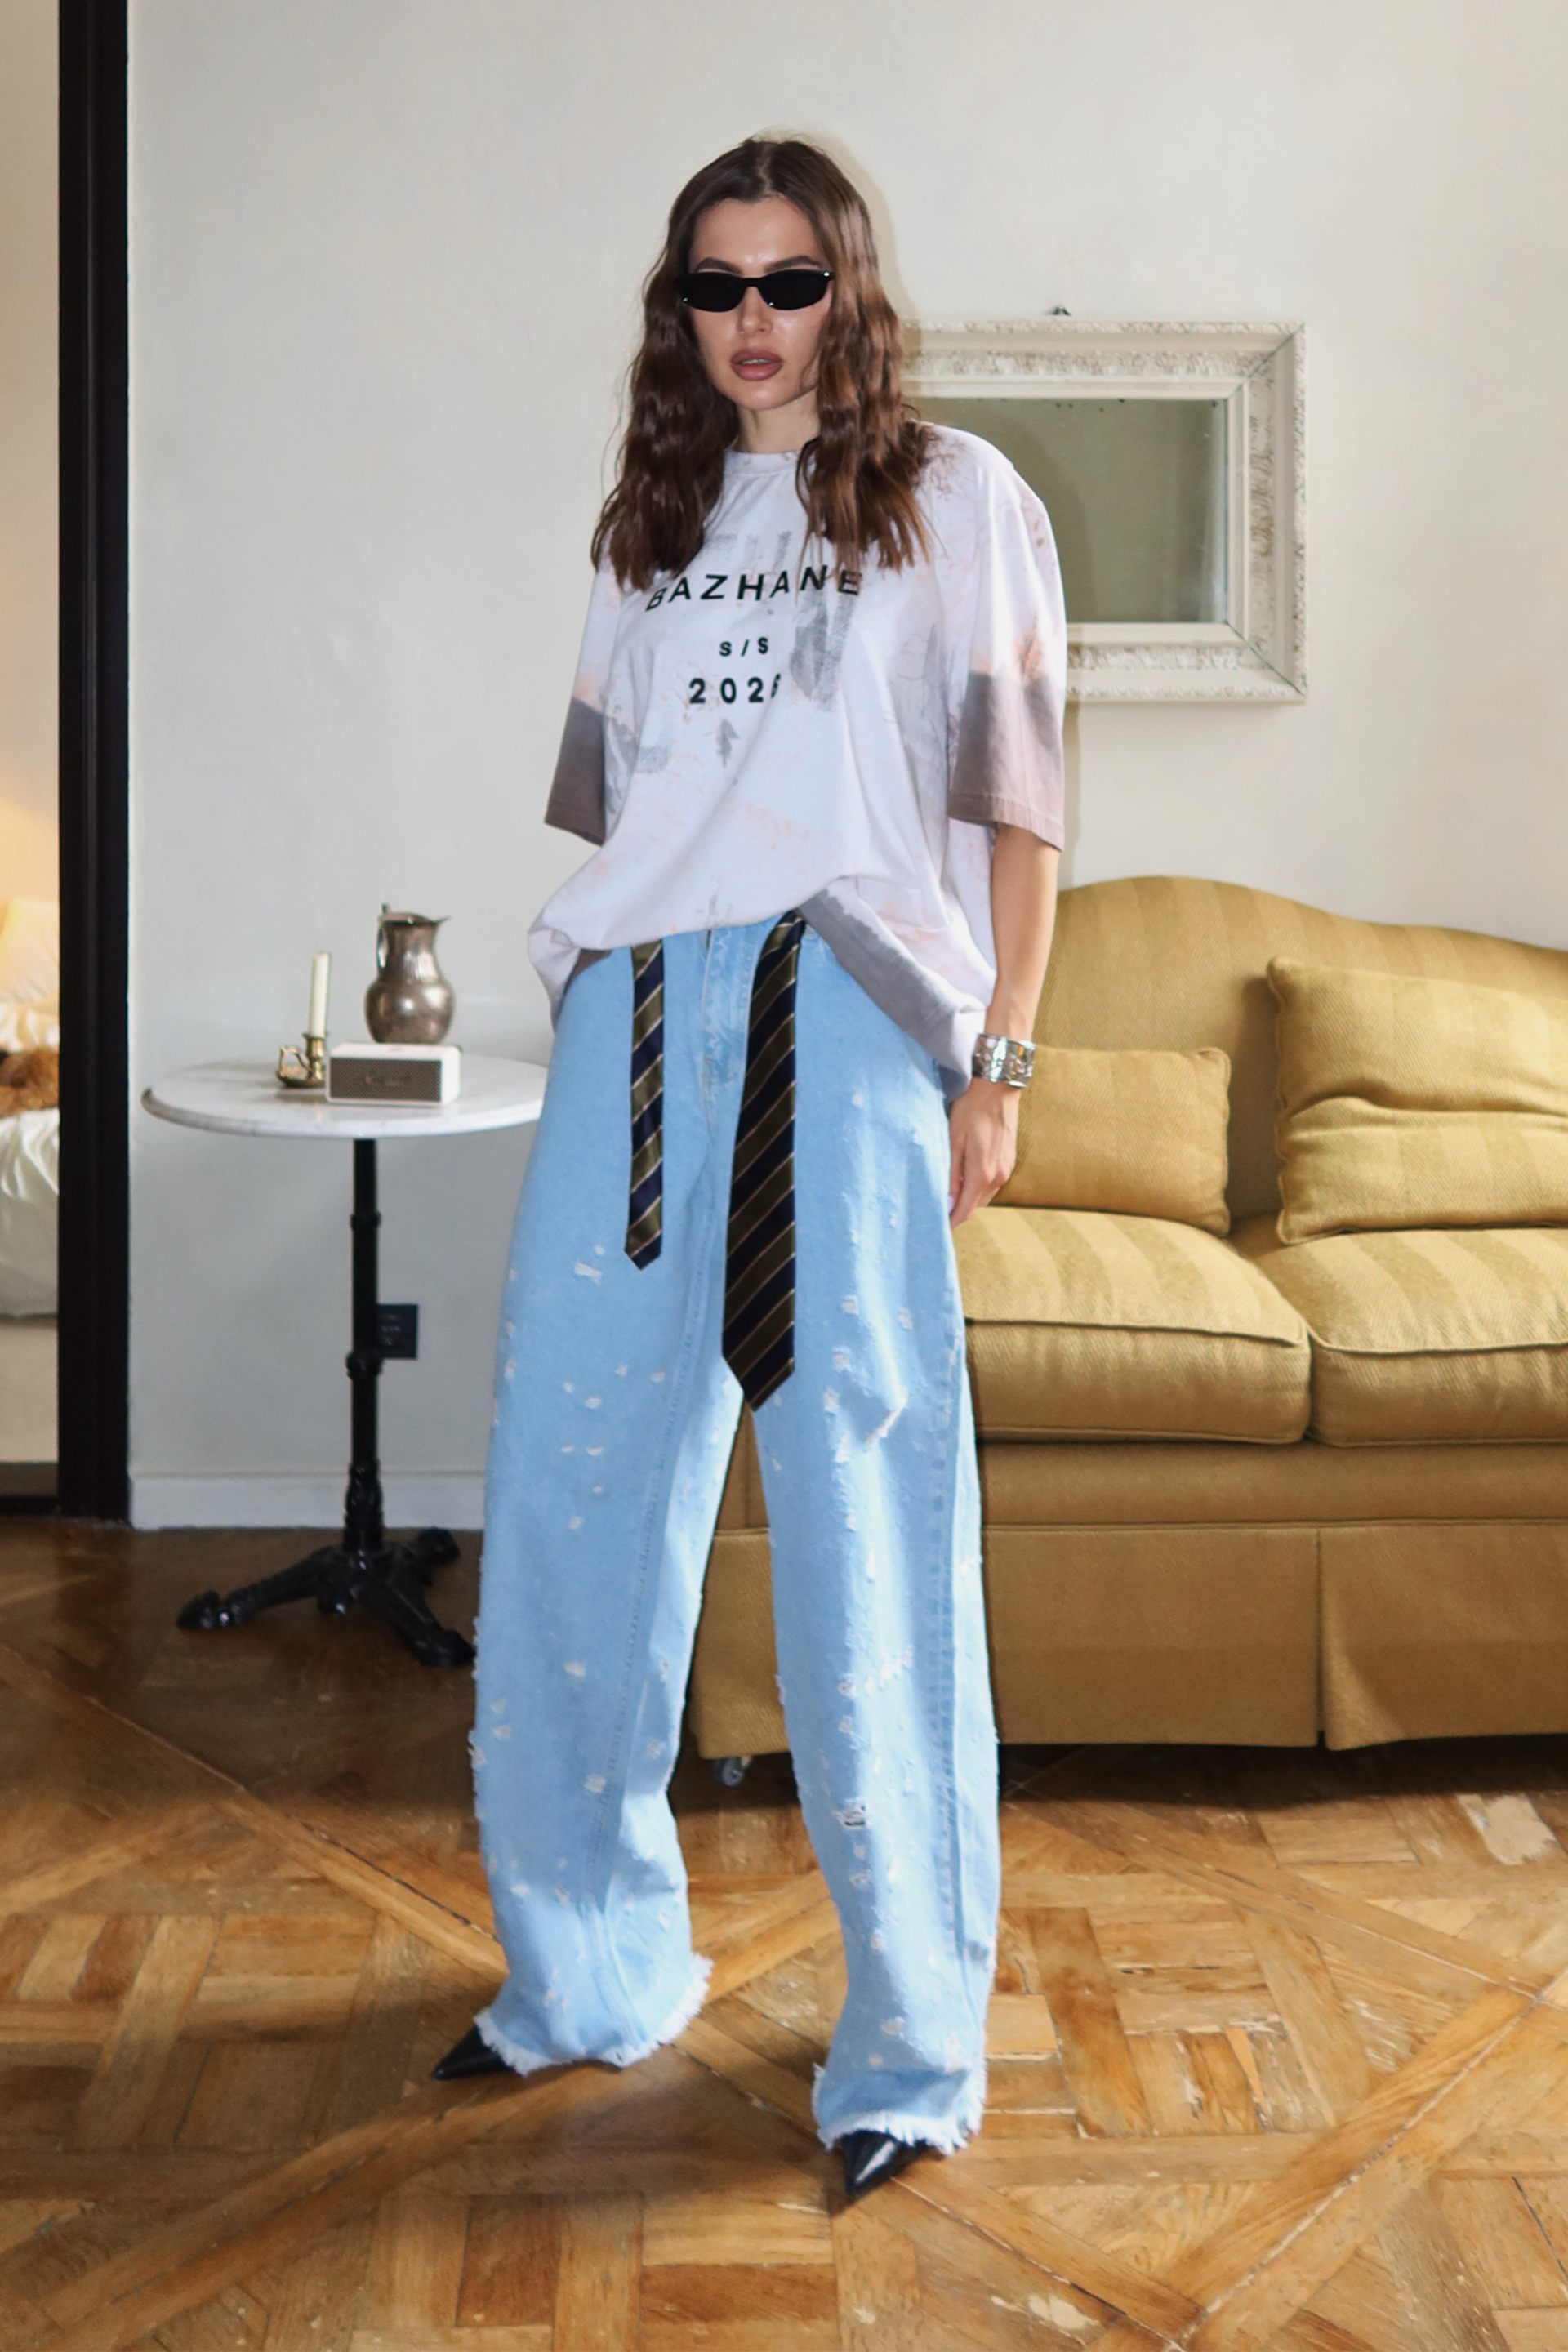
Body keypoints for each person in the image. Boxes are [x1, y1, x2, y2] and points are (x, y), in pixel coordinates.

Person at [435, 135, 1064, 2205]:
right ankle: (586, 1973)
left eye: (791, 282)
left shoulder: (957, 498)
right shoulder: (651, 524)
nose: (754, 322)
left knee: (867, 1522)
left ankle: (909, 2045)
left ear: (847, 290)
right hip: (636, 1020)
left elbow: (1023, 816)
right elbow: (634, 818)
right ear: (679, 308)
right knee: (570, 1504)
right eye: (716, 286)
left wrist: (997, 1065)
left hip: (847, 1016)